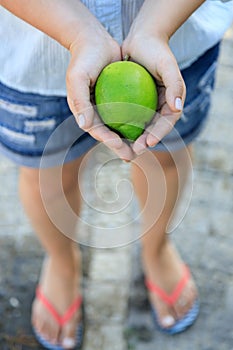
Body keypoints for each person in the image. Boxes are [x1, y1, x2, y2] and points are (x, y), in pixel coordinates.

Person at [0, 0, 233, 349]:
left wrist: (156, 26)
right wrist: (78, 33)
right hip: (34, 51)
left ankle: (156, 249)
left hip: (178, 34)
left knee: (166, 160)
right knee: (45, 175)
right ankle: (62, 262)